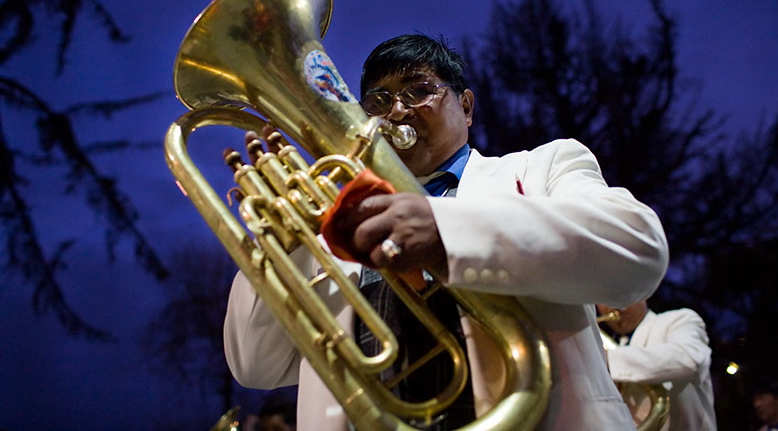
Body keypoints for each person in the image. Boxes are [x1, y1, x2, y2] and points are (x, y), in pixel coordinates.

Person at [223, 33, 669, 430]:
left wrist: (444, 231)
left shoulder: (540, 167)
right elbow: (255, 366)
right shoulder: (336, 234)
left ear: (467, 107)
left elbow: (638, 247)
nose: (397, 111)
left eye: (419, 91)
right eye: (377, 102)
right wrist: (287, 231)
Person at [596, 300, 717, 430]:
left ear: (644, 294)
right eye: (603, 299)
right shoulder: (618, 344)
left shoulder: (680, 319)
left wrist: (609, 360)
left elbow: (690, 359)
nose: (614, 305)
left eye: (621, 293)